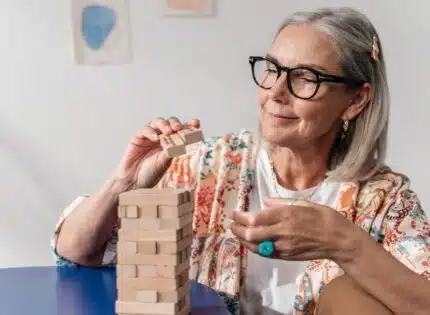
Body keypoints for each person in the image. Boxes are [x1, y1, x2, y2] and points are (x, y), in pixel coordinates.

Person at [52, 6, 430, 315]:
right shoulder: (209, 166)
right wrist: (124, 184)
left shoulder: (383, 201)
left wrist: (345, 243)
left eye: (305, 78)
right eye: (272, 70)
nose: (276, 93)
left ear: (356, 100)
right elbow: (75, 251)